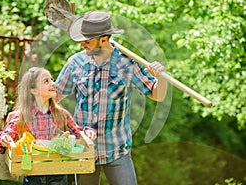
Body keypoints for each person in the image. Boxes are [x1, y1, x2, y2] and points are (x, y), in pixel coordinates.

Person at [55, 10, 168, 185]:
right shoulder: (75, 63)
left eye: (87, 41)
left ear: (104, 39)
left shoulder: (127, 63)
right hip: (84, 149)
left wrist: (160, 77)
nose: (81, 45)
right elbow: (53, 97)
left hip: (116, 149)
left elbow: (157, 95)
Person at [0, 67, 96, 185]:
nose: (53, 83)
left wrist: (88, 133)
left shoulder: (61, 114)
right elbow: (5, 138)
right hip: (33, 174)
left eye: (52, 80)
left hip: (59, 174)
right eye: (46, 81)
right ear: (33, 90)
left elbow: (78, 134)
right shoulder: (22, 116)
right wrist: (3, 139)